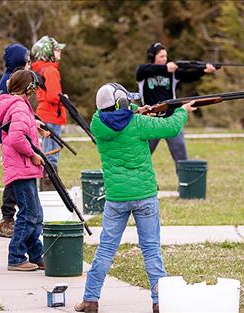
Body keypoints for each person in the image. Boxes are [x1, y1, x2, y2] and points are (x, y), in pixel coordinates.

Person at [74, 83, 196, 313]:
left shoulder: (98, 124)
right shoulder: (137, 123)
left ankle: (90, 299)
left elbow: (116, 116)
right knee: (151, 250)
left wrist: (137, 110)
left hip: (116, 197)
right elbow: (170, 128)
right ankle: (160, 301)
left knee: (105, 250)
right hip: (144, 195)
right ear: (121, 104)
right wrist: (182, 110)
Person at [0, 70, 45, 271]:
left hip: (22, 167)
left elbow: (17, 127)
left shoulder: (16, 106)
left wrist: (35, 124)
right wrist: (33, 154)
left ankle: (36, 255)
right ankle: (16, 257)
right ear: (29, 88)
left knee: (35, 213)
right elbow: (16, 138)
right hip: (22, 166)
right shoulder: (20, 108)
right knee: (29, 214)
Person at [136, 42, 216, 173]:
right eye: (161, 56)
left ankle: (187, 185)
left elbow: (189, 76)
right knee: (141, 157)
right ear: (152, 57)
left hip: (171, 119)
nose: (165, 59)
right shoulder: (143, 72)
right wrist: (165, 68)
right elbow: (143, 69)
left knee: (181, 158)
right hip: (149, 120)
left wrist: (203, 71)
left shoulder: (172, 73)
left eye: (166, 56)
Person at [0, 43, 31, 238]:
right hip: (11, 137)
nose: (29, 64)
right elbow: (8, 114)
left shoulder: (16, 78)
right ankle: (7, 220)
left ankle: (12, 217)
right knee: (13, 179)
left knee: (18, 177)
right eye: (26, 61)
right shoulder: (8, 81)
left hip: (16, 135)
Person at [31, 35, 66, 191]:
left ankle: (47, 187)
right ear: (48, 52)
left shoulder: (42, 68)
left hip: (46, 114)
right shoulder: (51, 70)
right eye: (56, 50)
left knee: (47, 151)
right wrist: (63, 98)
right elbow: (54, 96)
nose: (59, 52)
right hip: (51, 115)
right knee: (51, 154)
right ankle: (50, 188)